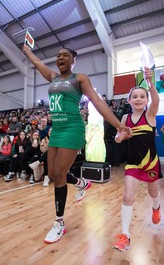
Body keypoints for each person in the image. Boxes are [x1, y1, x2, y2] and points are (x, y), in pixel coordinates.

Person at [23, 44, 129, 244]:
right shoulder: (53, 77)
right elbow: (37, 63)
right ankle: (81, 183)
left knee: (60, 176)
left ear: (73, 60)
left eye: (65, 55)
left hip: (73, 129)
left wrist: (118, 126)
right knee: (53, 174)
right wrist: (27, 51)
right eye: (58, 55)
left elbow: (97, 101)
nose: (60, 58)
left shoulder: (79, 78)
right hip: (57, 131)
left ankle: (59, 222)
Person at [113, 67, 161, 252]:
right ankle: (125, 235)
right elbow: (117, 139)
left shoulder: (150, 115)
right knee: (127, 196)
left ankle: (156, 208)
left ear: (146, 100)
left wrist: (150, 83)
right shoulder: (125, 117)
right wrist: (121, 135)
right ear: (129, 100)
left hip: (150, 162)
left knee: (153, 193)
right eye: (135, 97)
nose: (139, 99)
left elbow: (156, 100)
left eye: (142, 96)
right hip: (132, 163)